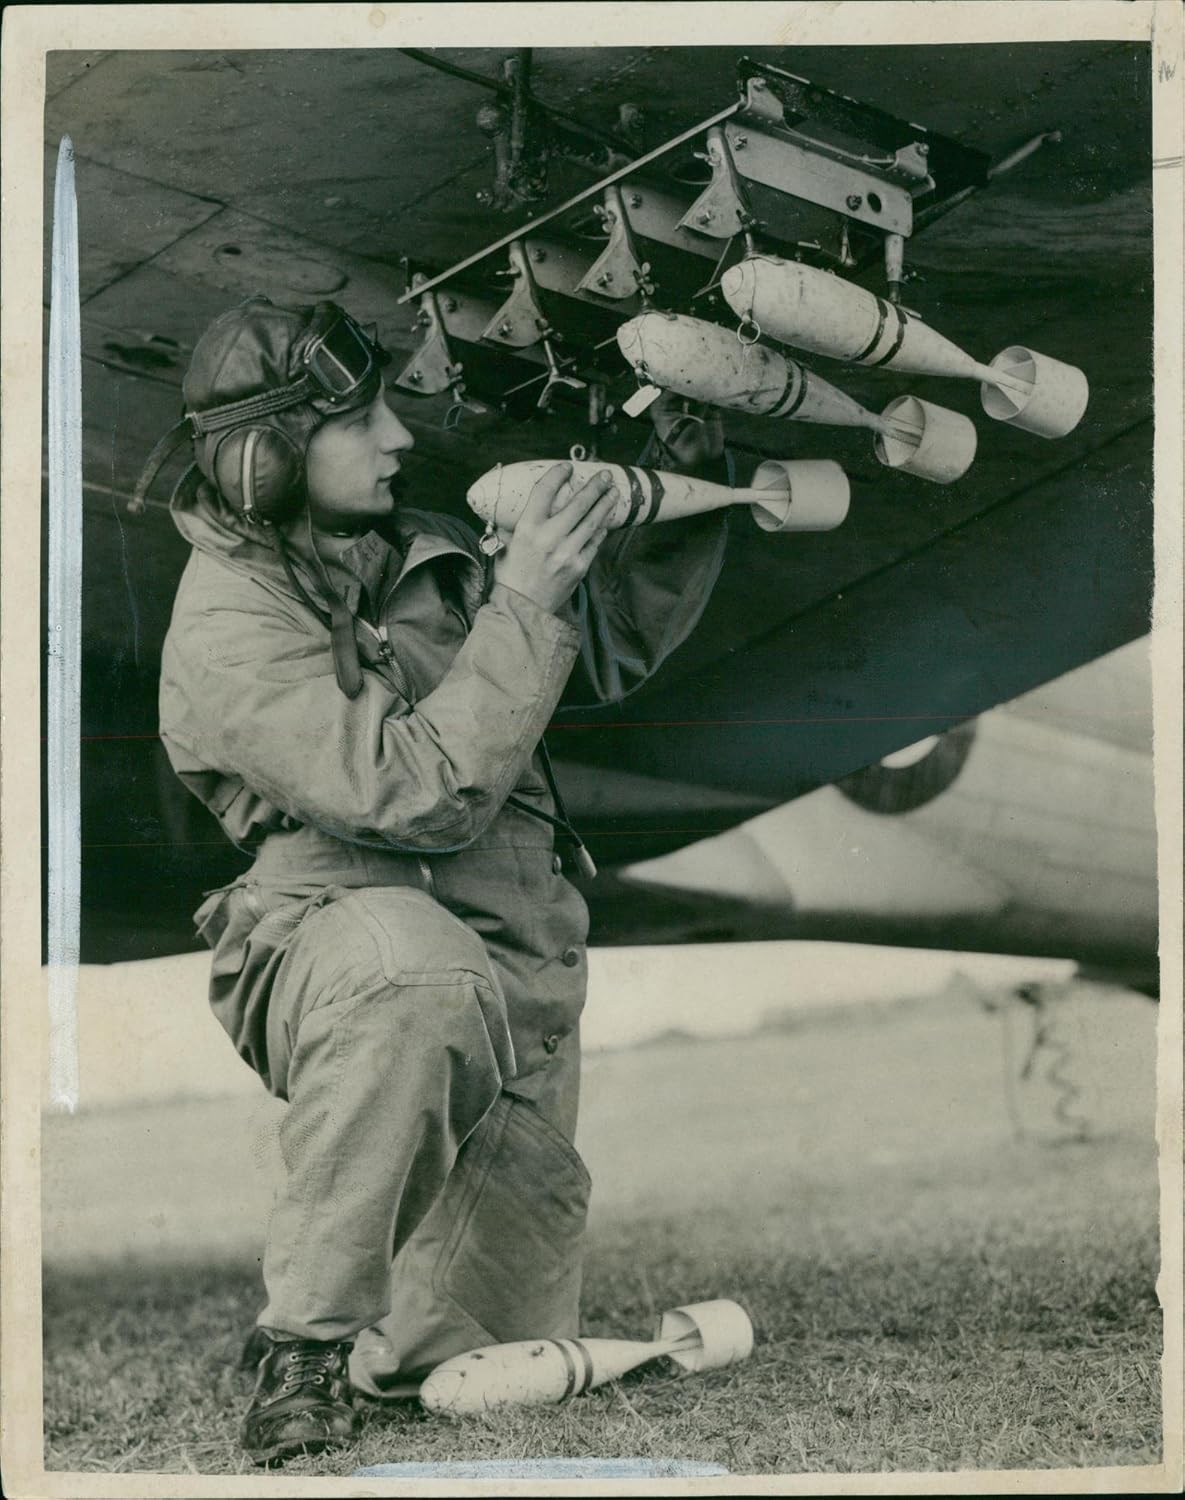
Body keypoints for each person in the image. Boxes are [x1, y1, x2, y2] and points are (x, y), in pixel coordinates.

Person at [149, 296, 727, 1464]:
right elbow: (411, 794)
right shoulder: (227, 629)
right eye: (360, 423)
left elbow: (601, 644)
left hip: (514, 977)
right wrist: (520, 601)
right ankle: (297, 1352)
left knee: (464, 1372)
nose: (400, 440)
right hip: (336, 947)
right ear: (268, 463)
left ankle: (379, 1339)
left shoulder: (413, 551)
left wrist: (688, 454)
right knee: (413, 972)